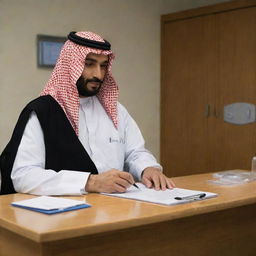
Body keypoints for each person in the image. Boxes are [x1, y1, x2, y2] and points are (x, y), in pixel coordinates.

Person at [0, 31, 175, 195]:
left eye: (103, 66)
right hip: (61, 216)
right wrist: (89, 182)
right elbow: (23, 176)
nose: (98, 74)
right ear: (71, 65)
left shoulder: (115, 110)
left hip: (115, 209)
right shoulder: (43, 112)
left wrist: (148, 168)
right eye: (89, 64)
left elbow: (135, 152)